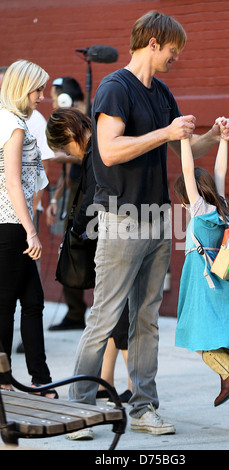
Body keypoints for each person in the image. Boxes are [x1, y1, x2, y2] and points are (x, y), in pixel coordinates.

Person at [67, 10, 229, 437]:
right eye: (174, 49)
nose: (177, 57)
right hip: (122, 218)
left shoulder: (161, 93)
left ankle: (143, 407)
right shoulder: (114, 88)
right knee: (105, 316)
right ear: (154, 42)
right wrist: (165, 134)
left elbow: (183, 146)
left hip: (159, 219)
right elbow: (109, 150)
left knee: (146, 319)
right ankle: (79, 410)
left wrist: (213, 136)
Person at [45, 108, 132, 431]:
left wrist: (78, 230)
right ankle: (102, 382)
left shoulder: (97, 149)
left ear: (70, 136)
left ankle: (136, 390)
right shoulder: (98, 144)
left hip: (115, 235)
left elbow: (94, 196)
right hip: (116, 232)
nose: (68, 154)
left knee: (116, 314)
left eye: (66, 148)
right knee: (110, 311)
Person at [174, 119, 229, 407]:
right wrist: (223, 140)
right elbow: (221, 170)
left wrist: (184, 139)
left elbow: (187, 170)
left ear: (189, 195)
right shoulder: (221, 207)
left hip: (202, 278)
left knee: (198, 338)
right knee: (218, 328)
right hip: (224, 277)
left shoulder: (197, 209)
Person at [0, 59, 57, 398]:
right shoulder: (15, 125)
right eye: (38, 89)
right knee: (7, 303)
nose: (42, 96)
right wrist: (30, 230)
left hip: (13, 223)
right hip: (12, 226)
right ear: (24, 88)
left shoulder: (10, 120)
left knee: (32, 301)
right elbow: (13, 184)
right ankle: (9, 381)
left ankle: (39, 378)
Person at [46, 77, 88, 330]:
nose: (52, 103)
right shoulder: (68, 121)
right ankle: (74, 312)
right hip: (74, 190)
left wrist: (66, 156)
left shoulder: (89, 120)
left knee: (80, 249)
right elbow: (66, 176)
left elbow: (93, 155)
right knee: (69, 249)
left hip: (91, 194)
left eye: (55, 97)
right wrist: (54, 198)